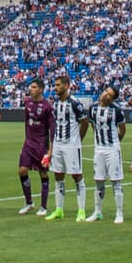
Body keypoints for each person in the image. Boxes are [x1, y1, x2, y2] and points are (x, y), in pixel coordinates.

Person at [45, 74, 89, 222]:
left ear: (66, 86)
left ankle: (81, 211)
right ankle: (59, 209)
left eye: (58, 85)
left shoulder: (75, 103)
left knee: (76, 175)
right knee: (58, 175)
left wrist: (78, 140)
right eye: (55, 85)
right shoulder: (55, 103)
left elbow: (84, 122)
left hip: (71, 144)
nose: (55, 88)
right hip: (58, 144)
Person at [86, 85, 125, 224]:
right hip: (99, 149)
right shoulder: (92, 108)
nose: (106, 95)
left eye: (110, 94)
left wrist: (115, 143)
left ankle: (119, 213)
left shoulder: (117, 111)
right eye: (106, 92)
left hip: (112, 148)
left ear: (113, 99)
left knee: (116, 181)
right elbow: (92, 126)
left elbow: (122, 129)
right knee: (98, 181)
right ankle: (97, 212)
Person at [18, 78, 53, 216]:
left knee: (43, 173)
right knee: (22, 171)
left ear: (41, 89)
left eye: (33, 87)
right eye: (30, 87)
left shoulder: (47, 107)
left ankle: (43, 206)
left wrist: (50, 149)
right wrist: (26, 141)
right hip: (29, 143)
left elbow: (52, 129)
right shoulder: (27, 103)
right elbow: (26, 123)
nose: (30, 89)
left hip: (41, 145)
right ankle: (29, 202)